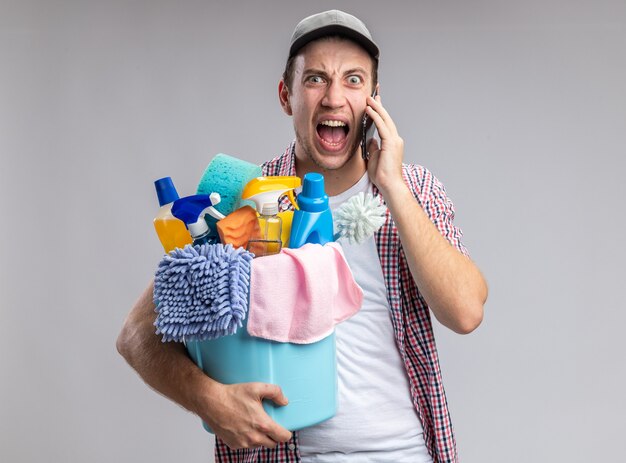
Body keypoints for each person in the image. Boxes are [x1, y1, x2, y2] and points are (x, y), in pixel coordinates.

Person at [117, 9, 487, 463]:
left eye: (353, 80)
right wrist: (208, 400)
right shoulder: (244, 197)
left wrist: (392, 186)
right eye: (315, 79)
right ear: (286, 95)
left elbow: (466, 310)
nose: (334, 98)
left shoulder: (417, 190)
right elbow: (136, 335)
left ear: (373, 98)